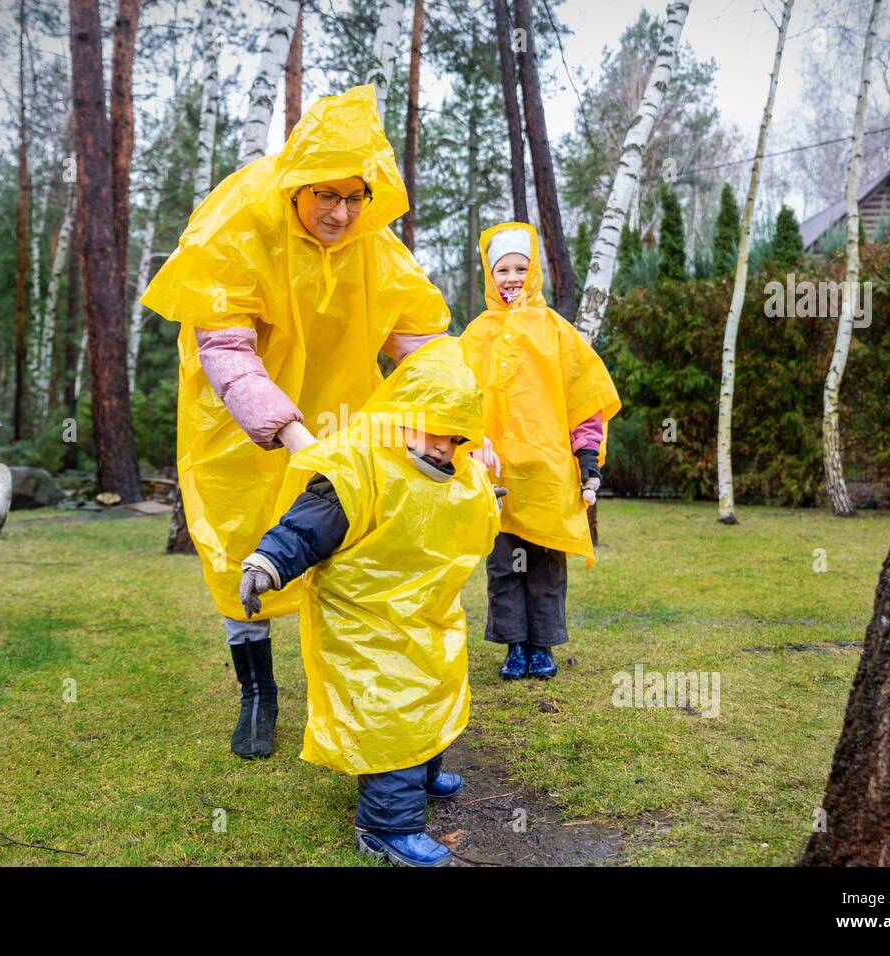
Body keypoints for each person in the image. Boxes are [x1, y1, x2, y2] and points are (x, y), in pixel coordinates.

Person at [139, 86, 456, 759]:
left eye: (354, 196)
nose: (341, 213)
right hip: (237, 422)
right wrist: (289, 430)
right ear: (297, 186)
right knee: (240, 549)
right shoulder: (238, 225)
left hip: (342, 419)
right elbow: (224, 349)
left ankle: (342, 689)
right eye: (325, 196)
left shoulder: (375, 245)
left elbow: (420, 341)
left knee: (341, 553)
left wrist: (454, 425)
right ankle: (258, 694)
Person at [237, 337, 502, 867]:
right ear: (401, 414)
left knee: (434, 697)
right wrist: (268, 563)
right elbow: (310, 523)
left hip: (427, 619)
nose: (442, 449)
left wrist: (487, 493)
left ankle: (423, 773)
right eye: (432, 430)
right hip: (365, 626)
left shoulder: (458, 474)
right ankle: (387, 825)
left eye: (455, 438)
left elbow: (471, 511)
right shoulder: (357, 466)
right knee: (393, 712)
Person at [460, 222, 621, 680]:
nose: (511, 277)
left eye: (520, 268)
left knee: (546, 566)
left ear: (533, 274)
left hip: (549, 476)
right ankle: (514, 646)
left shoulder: (557, 332)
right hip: (498, 476)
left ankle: (541, 646)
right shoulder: (476, 336)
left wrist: (587, 460)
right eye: (502, 269)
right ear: (490, 276)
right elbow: (459, 399)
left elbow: (584, 401)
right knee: (505, 566)